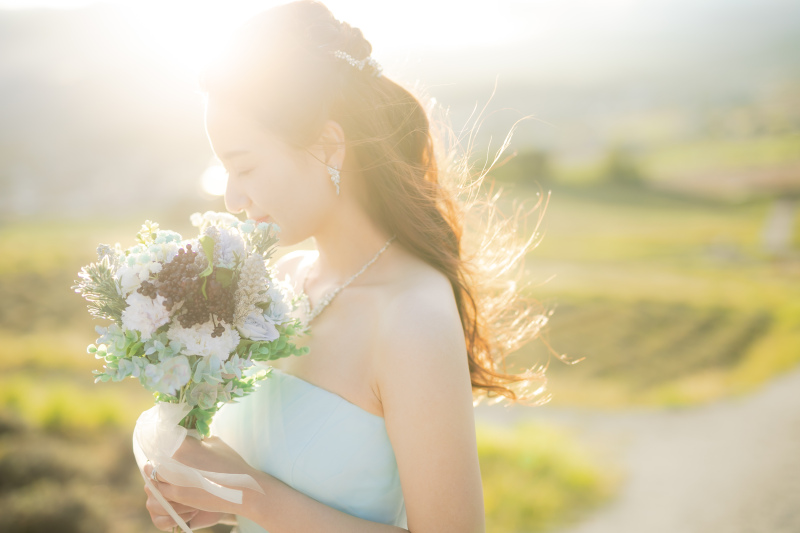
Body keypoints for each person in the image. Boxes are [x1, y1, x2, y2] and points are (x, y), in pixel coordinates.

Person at [142, 1, 551, 531]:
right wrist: (203, 497)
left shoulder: (412, 317)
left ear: (329, 145)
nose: (232, 197)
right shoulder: (279, 285)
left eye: (244, 165)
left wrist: (250, 496)